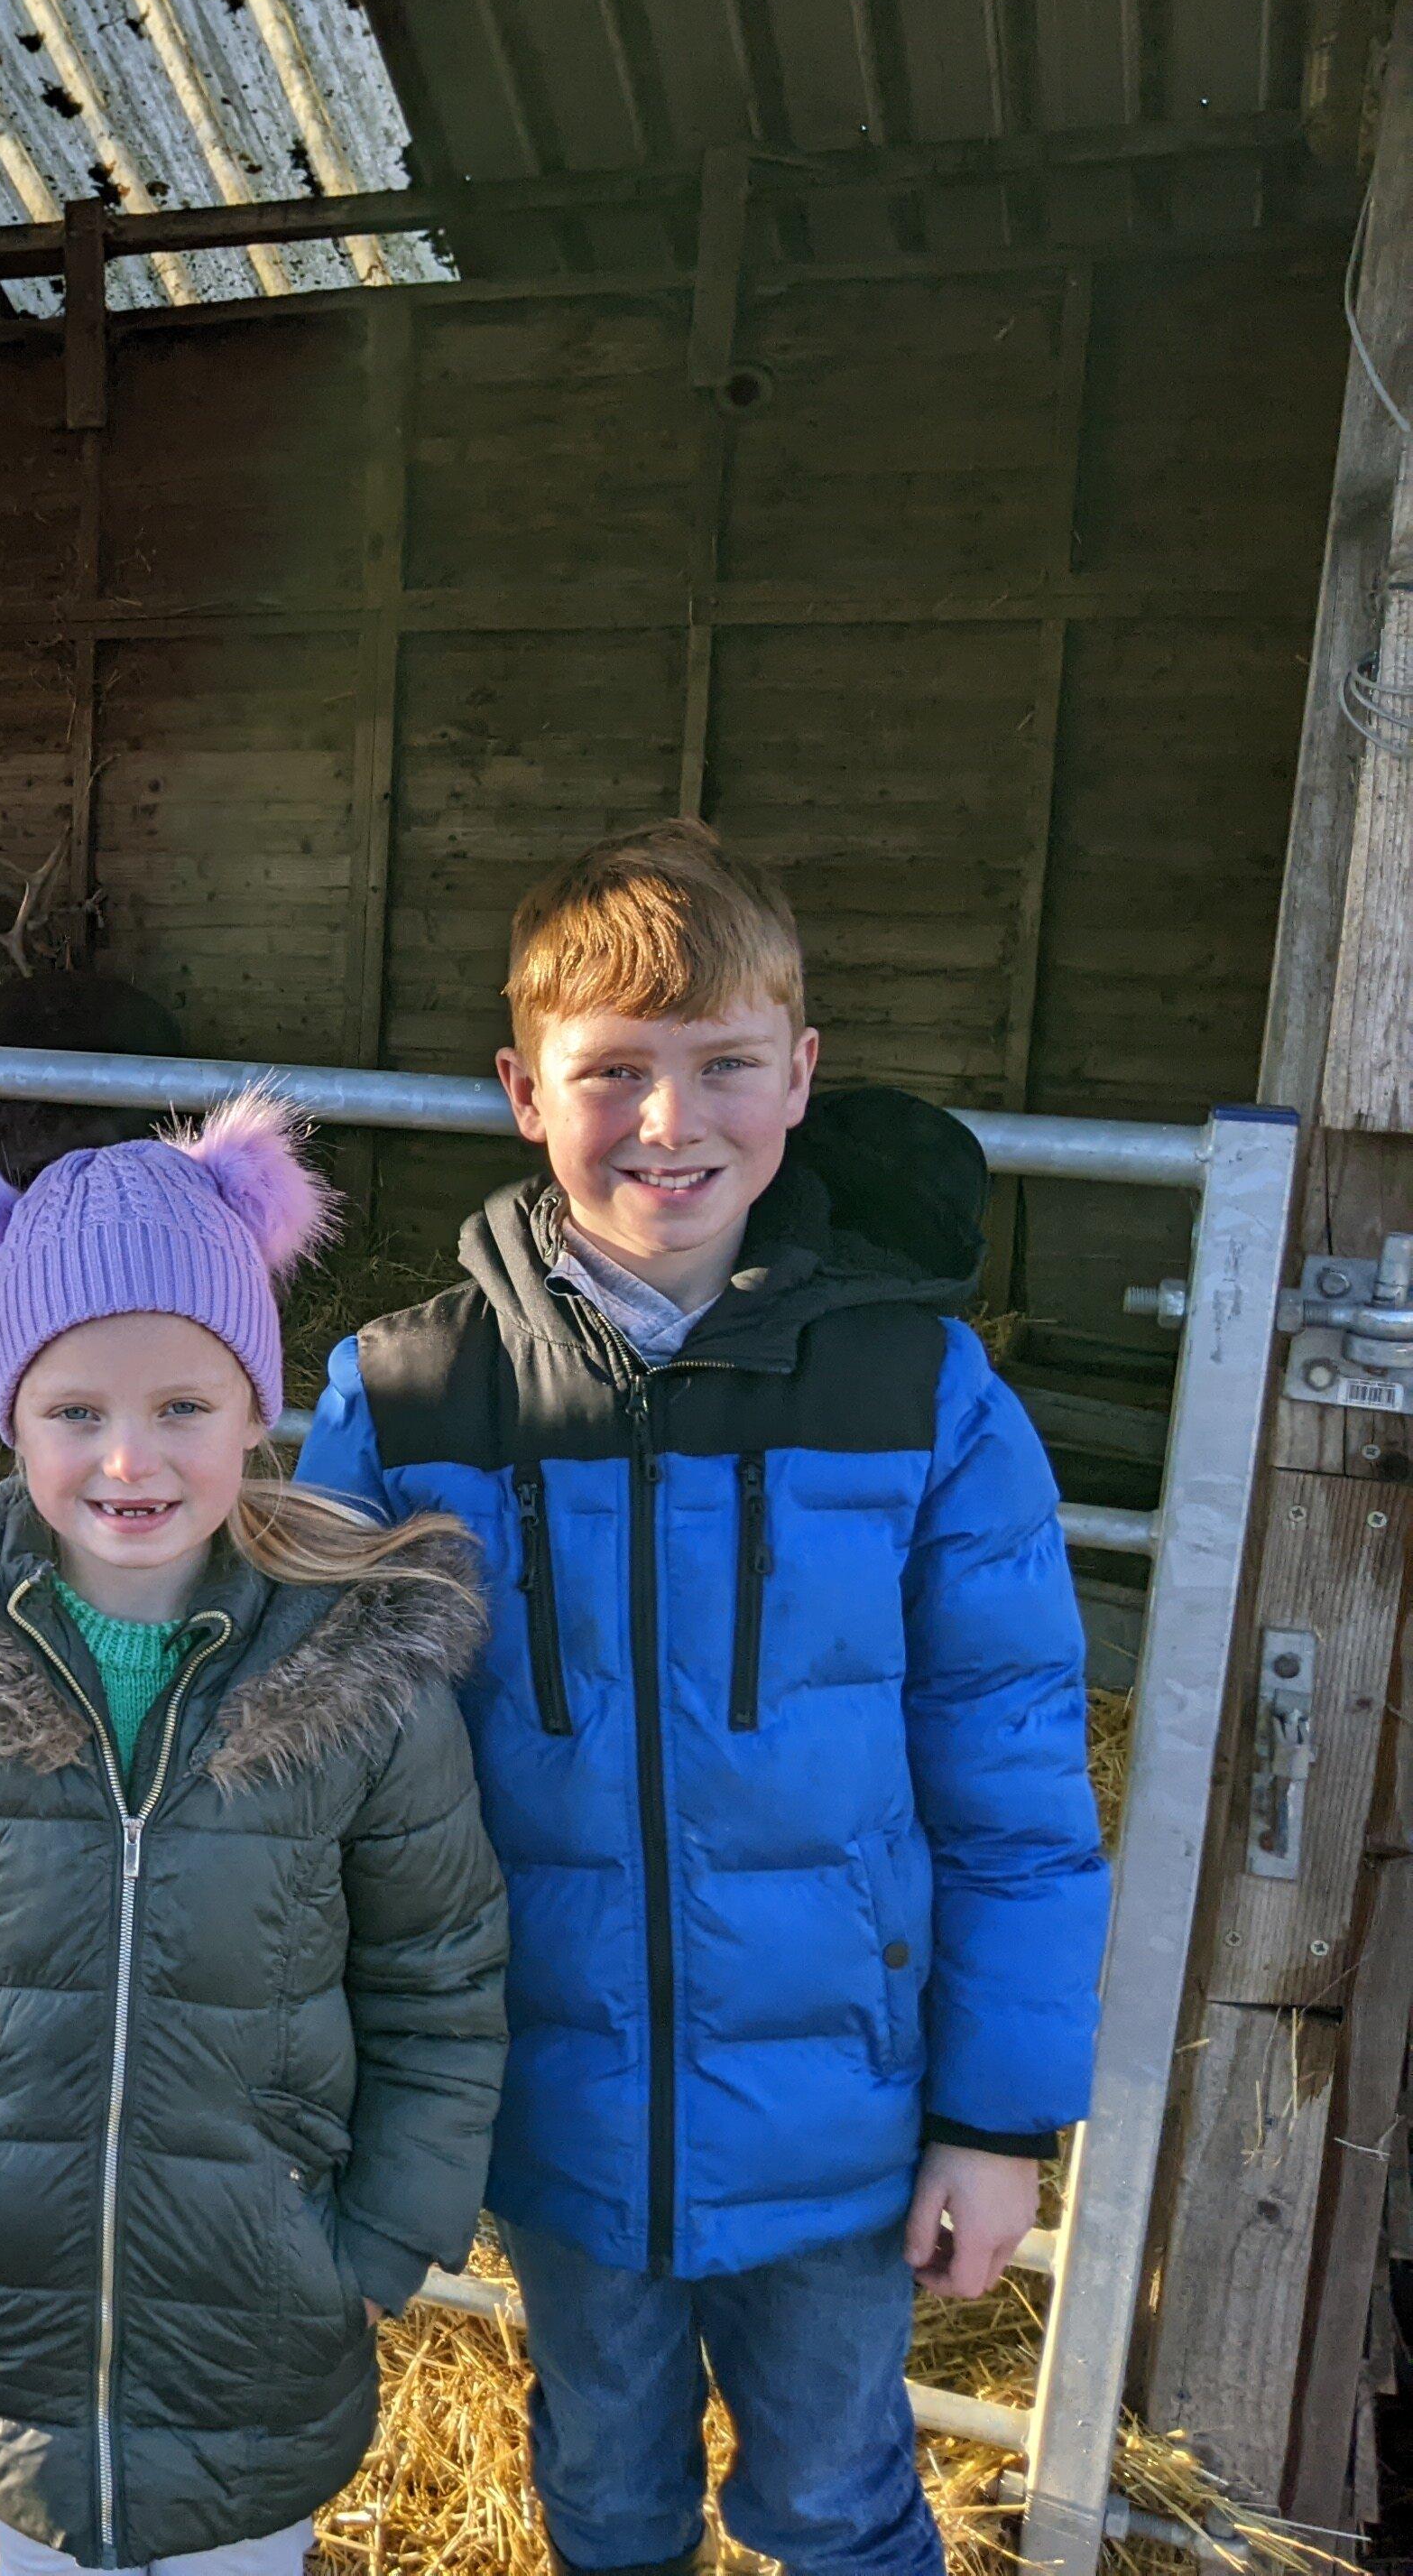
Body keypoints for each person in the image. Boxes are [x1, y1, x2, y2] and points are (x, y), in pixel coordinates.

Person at [295, 820, 1106, 2576]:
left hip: (845, 2123)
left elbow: (1016, 1784)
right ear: (524, 1089)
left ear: (800, 1077)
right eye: (617, 1073)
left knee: (835, 2497)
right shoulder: (410, 1396)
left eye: (725, 1065)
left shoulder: (924, 1395)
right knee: (600, 2491)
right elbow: (309, 1764)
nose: (672, 1124)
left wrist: (994, 2117)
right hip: (558, 2119)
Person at [0, 1090, 508, 2576]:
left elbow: (441, 1971)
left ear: (257, 1410)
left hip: (261, 2314)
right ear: (10, 1417)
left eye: (183, 1406)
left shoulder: (347, 1665)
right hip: (2, 2300)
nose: (130, 1462)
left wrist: (371, 2248)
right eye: (75, 1412)